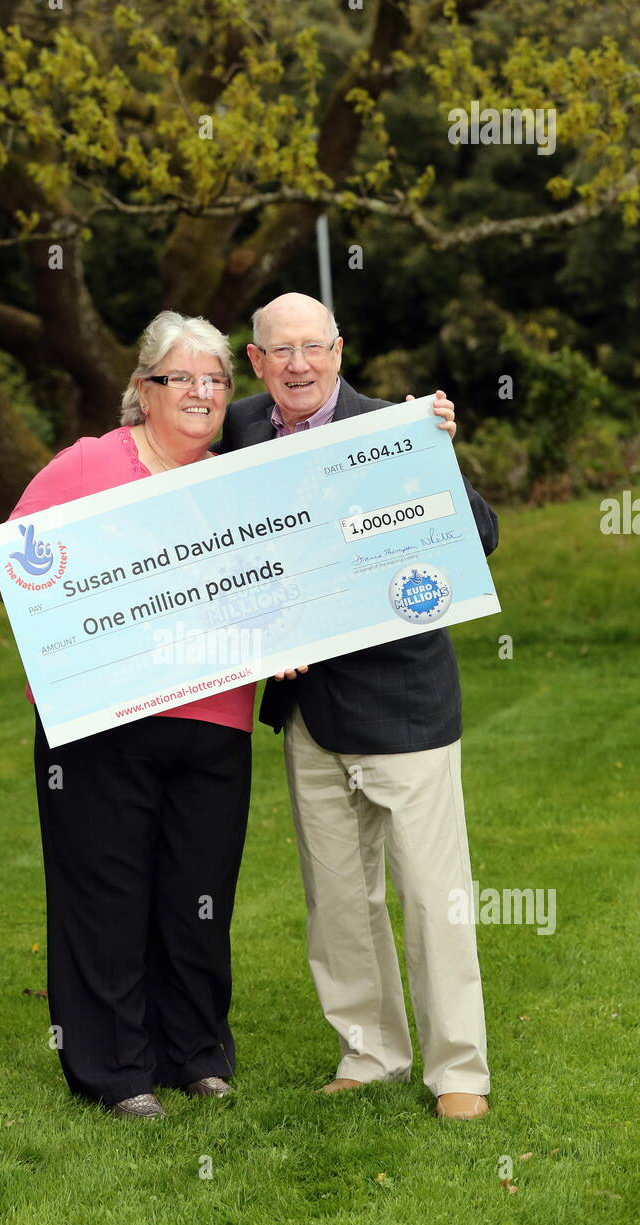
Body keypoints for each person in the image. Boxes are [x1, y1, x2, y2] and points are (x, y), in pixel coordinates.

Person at [218, 292, 499, 1121]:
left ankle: (459, 1072)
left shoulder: (398, 428)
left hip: (405, 701)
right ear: (256, 361)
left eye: (315, 348)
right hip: (307, 708)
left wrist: (437, 455)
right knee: (338, 897)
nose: (299, 365)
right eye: (282, 351)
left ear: (340, 352)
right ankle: (369, 1051)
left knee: (431, 894)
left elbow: (478, 536)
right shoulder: (237, 429)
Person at [0, 311, 255, 1119]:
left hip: (215, 716)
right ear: (143, 390)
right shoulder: (88, 466)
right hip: (98, 721)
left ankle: (195, 1052)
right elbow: (18, 567)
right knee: (106, 892)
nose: (200, 392)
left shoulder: (241, 479)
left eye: (215, 379)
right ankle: (116, 1071)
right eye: (181, 377)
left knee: (197, 893)